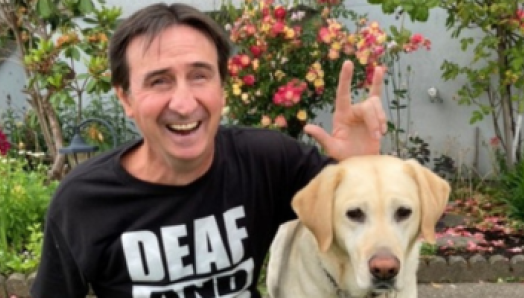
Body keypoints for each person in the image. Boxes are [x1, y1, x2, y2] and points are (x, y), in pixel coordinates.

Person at [31, 2, 387, 298]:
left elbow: (364, 212)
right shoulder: (84, 201)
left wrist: (358, 163)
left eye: (200, 75)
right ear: (125, 97)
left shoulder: (266, 161)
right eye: (159, 81)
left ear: (222, 86)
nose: (185, 104)